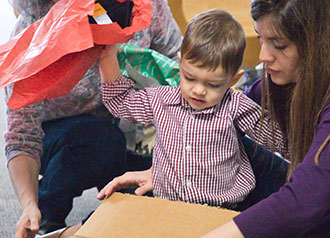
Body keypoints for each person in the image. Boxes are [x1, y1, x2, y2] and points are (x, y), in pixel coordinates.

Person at [114, 1, 330, 238]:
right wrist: (167, 168)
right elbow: (213, 120)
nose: (263, 56)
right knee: (222, 126)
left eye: (278, 44)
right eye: (261, 39)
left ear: (320, 42)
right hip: (296, 236)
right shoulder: (286, 78)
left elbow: (301, 202)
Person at [6, 0, 183, 238]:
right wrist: (28, 204)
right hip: (65, 135)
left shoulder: (144, 6)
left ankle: (87, 228)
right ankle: (49, 216)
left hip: (132, 128)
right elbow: (21, 136)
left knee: (157, 205)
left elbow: (180, 64)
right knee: (99, 139)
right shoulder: (36, 30)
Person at [98, 8, 283, 208]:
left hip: (222, 209)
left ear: (233, 79)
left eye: (212, 85)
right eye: (189, 78)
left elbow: (280, 140)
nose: (198, 91)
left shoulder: (236, 106)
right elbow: (121, 101)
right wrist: (108, 57)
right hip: (168, 204)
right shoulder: (162, 100)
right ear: (180, 64)